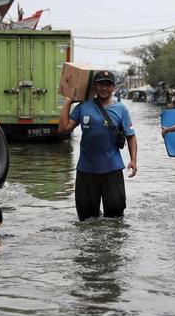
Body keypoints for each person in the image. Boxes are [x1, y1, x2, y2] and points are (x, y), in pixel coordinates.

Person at [58, 70, 138, 221]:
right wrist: (68, 102)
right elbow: (63, 128)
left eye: (108, 85)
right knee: (86, 218)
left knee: (115, 217)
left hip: (112, 170)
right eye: (100, 84)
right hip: (86, 170)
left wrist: (133, 160)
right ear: (94, 86)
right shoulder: (83, 107)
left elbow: (131, 137)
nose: (104, 88)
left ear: (113, 87)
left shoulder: (121, 109)